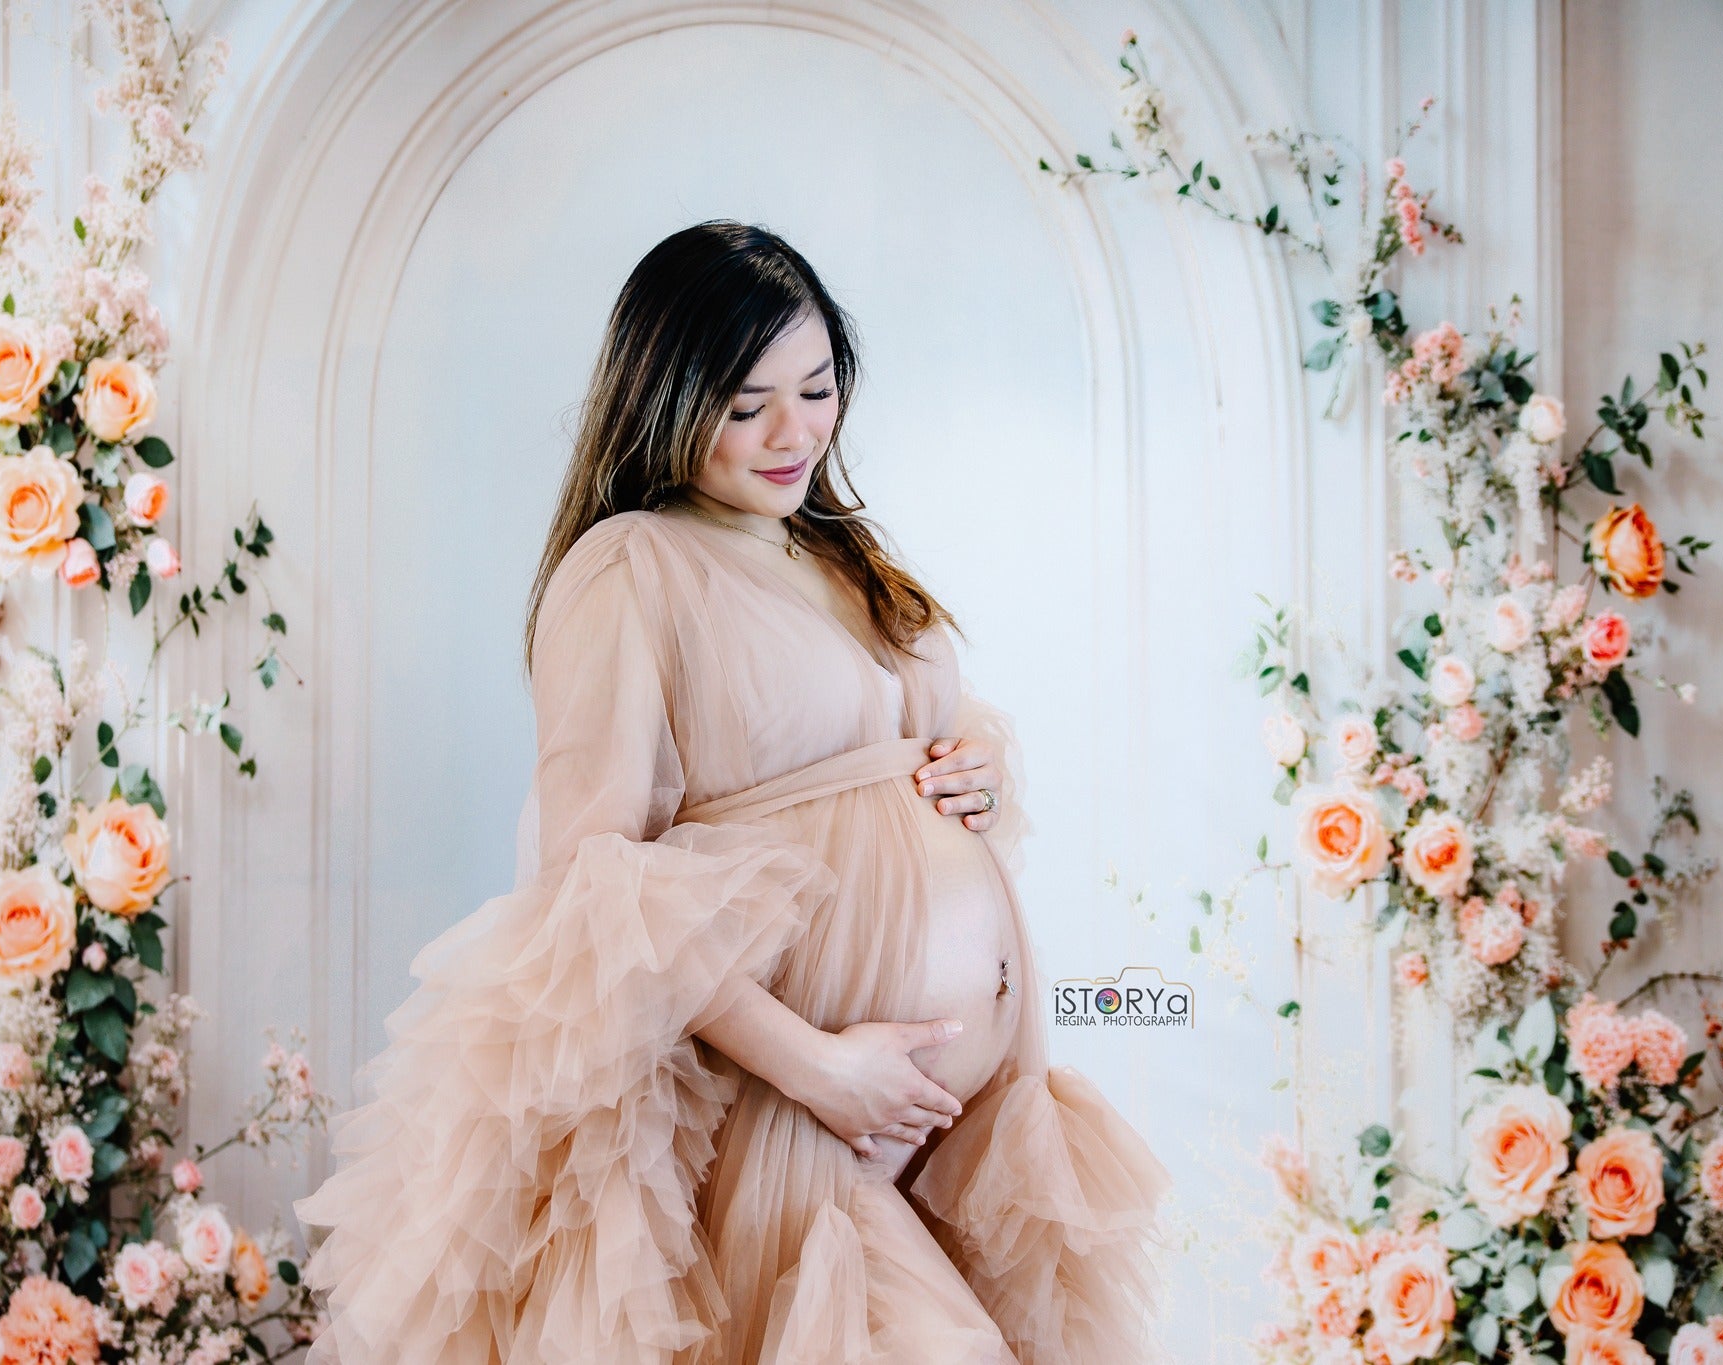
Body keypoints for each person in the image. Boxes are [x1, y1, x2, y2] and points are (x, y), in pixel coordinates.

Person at [291, 221, 1172, 1363]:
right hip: (790, 1113)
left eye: (815, 389)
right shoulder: (631, 565)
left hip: (958, 1129)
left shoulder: (837, 550)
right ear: (663, 398)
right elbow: (588, 875)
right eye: (746, 404)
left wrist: (979, 776)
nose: (792, 432)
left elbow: (889, 757)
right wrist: (822, 1071)